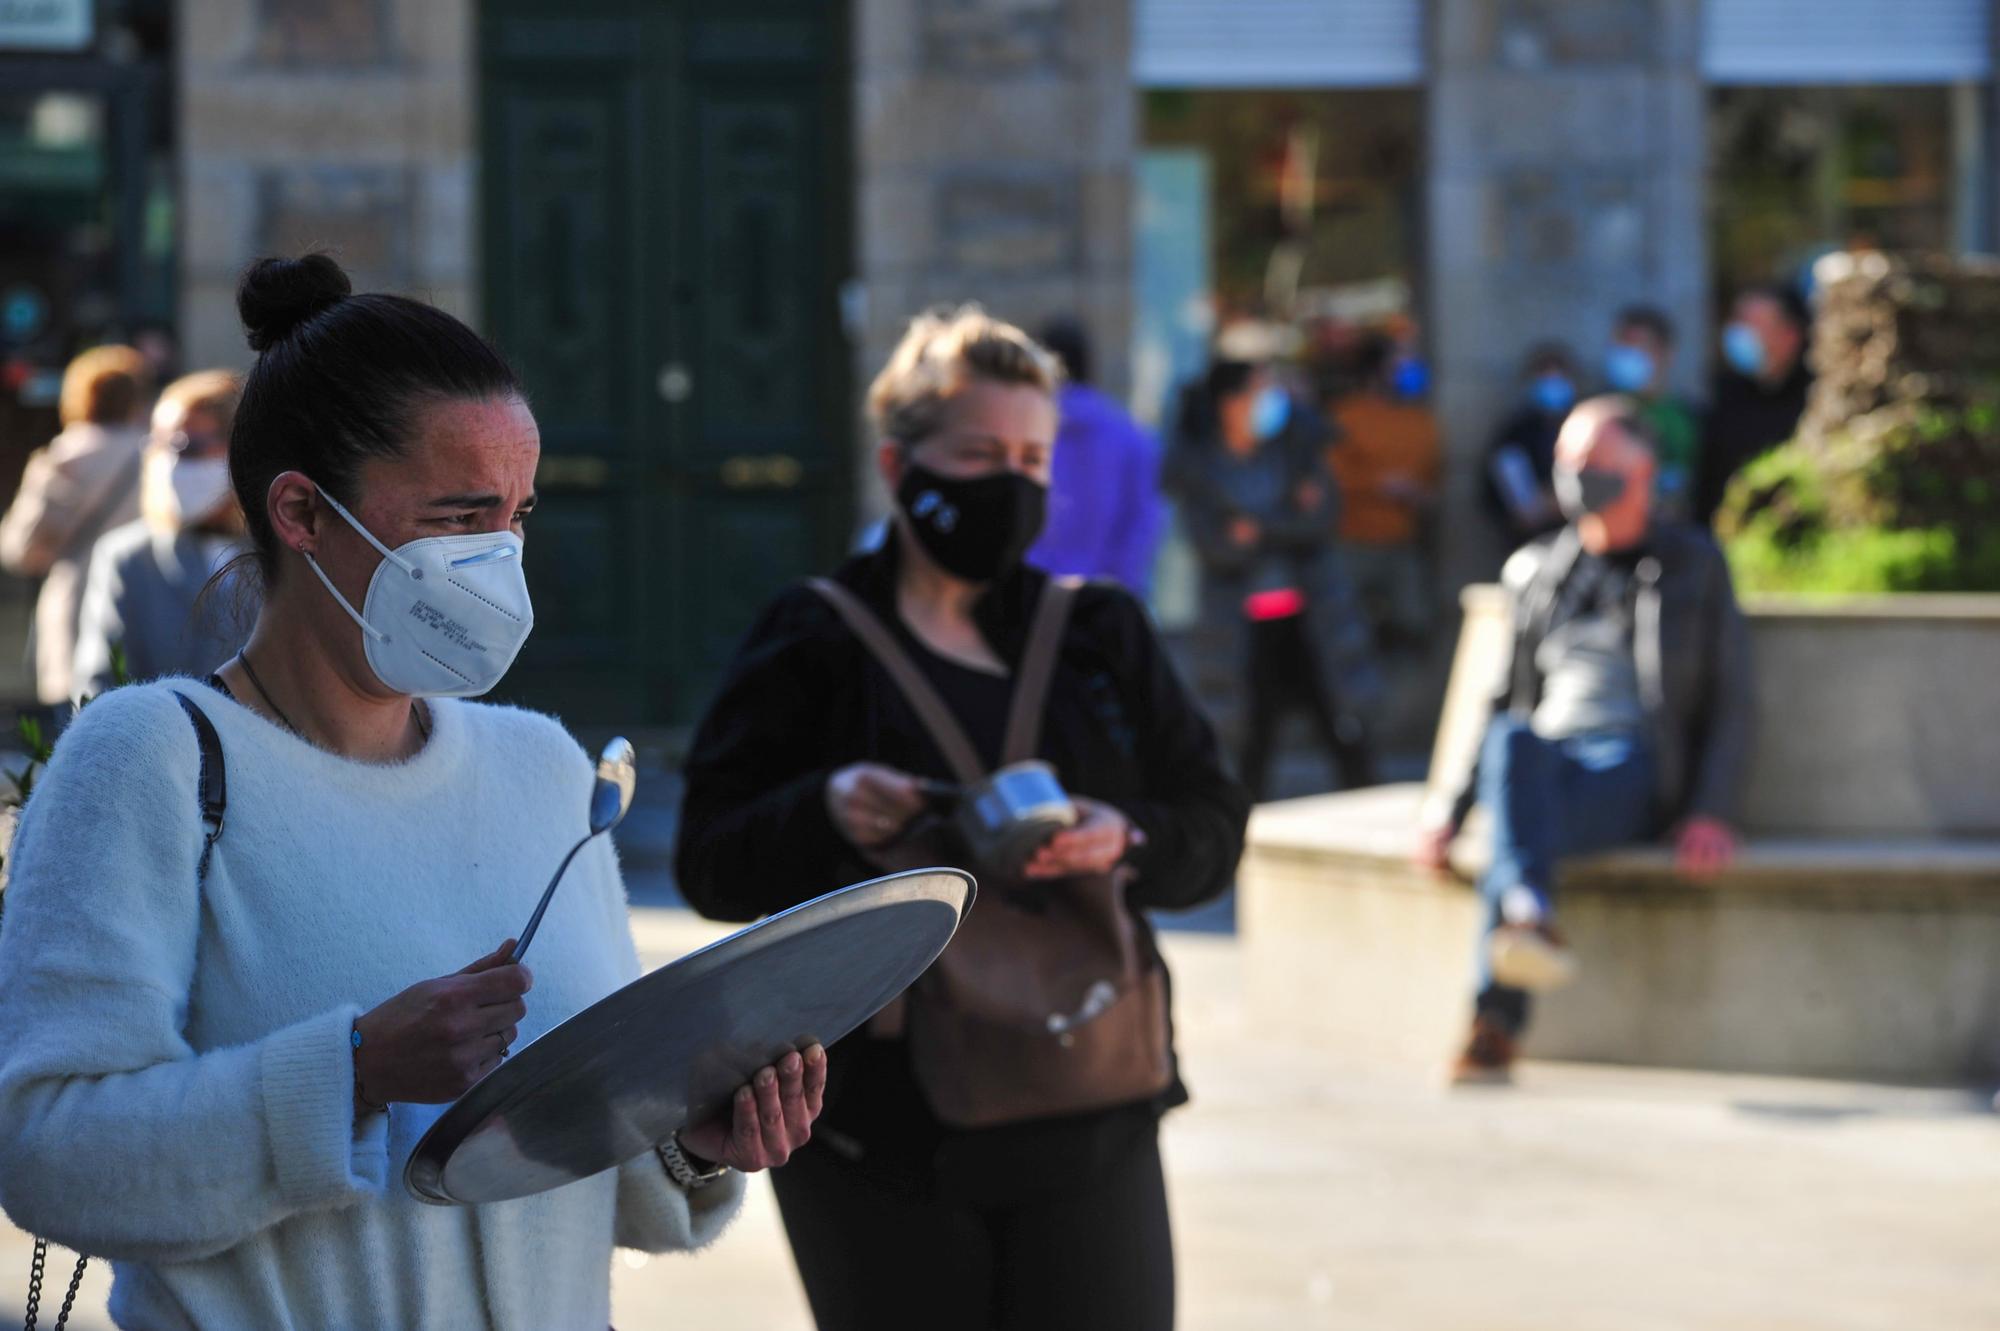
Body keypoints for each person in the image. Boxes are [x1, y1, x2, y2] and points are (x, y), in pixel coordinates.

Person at [0, 254, 822, 1331]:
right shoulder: (146, 759)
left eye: (518, 513)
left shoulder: (541, 771)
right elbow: (48, 1150)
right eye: (459, 513)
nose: (500, 555)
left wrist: (690, 1137)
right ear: (301, 509)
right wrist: (349, 1073)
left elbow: (577, 1152)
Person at [677, 306, 1249, 1331]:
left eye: (1032, 458)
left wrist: (1125, 835)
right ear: (900, 468)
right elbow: (708, 862)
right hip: (874, 1129)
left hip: (1086, 1099)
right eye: (981, 452)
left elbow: (1210, 823)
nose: (1012, 481)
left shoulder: (1098, 633)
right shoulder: (812, 636)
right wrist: (826, 809)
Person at [1415, 397, 1753, 1084]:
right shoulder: (1539, 569)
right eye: (1568, 461)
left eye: (1596, 462)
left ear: (1643, 469)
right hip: (1544, 760)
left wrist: (1711, 808)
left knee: (1517, 834)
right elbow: (1502, 699)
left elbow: (1732, 697)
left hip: (1632, 766)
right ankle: (1528, 913)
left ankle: (1496, 1016)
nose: (1576, 475)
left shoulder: (1692, 563)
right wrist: (1447, 813)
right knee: (1515, 742)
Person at [1171, 358, 1379, 801]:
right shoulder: (1200, 465)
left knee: (1343, 726)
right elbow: (1217, 545)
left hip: (1314, 617)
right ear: (1228, 403)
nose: (1271, 402)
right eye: (1258, 391)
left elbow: (1321, 519)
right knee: (1252, 739)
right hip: (1241, 628)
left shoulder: (1297, 450)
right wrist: (1285, 517)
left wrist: (1257, 528)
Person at [71, 370, 253, 698]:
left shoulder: (288, 554)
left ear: (241, 450)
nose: (172, 462)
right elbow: (100, 688)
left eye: (190, 446)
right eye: (161, 444)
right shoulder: (129, 556)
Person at [0, 344, 153, 707]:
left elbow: (20, 550)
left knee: (74, 727)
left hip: (75, 606)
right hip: (143, 605)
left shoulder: (62, 458)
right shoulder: (155, 455)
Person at [1026, 316, 1166, 596]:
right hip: (1106, 596)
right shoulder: (1131, 436)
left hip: (1030, 594)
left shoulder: (1019, 436)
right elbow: (1145, 520)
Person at [1328, 332, 1441, 648]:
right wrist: (1378, 485)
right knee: (1347, 636)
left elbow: (1435, 481)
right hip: (1352, 545)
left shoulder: (1421, 421)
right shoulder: (1346, 416)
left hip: (1404, 544)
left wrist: (1420, 495)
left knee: (1414, 626)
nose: (1409, 369)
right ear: (1376, 370)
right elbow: (1329, 478)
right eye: (1399, 362)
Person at [1695, 284, 1812, 525]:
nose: (1739, 333)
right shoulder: (1722, 395)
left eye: (1752, 323)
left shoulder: (1817, 399)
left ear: (1790, 335)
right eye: (1737, 320)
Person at [1603, 305, 1701, 522]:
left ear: (1666, 353)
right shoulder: (1598, 417)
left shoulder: (1688, 417)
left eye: (1637, 345)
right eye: (1622, 345)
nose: (1627, 355)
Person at [1482, 343, 1578, 545]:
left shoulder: (1586, 425)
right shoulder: (1516, 434)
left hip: (1584, 543)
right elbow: (1523, 513)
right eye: (1545, 377)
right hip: (1532, 545)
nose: (1553, 385)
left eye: (1559, 377)